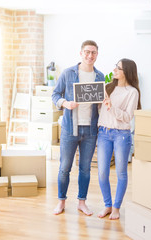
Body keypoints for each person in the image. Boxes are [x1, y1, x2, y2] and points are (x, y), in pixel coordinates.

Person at [52, 40, 105, 215]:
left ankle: (82, 202)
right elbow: (55, 94)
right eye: (87, 52)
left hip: (90, 130)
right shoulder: (68, 73)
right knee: (65, 167)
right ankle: (61, 201)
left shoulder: (100, 77)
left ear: (97, 55)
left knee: (85, 168)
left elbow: (99, 105)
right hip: (70, 129)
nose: (90, 56)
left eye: (94, 53)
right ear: (81, 53)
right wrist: (65, 103)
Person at [97, 58, 141, 220]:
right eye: (115, 66)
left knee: (121, 172)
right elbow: (100, 110)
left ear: (126, 72)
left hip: (121, 135)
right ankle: (107, 205)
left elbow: (128, 117)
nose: (114, 70)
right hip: (103, 133)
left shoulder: (132, 92)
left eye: (118, 68)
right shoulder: (108, 87)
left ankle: (116, 207)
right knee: (102, 172)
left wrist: (111, 107)